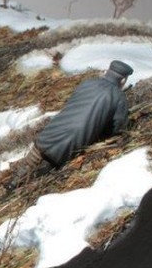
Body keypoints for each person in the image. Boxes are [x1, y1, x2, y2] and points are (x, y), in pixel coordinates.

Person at [8, 59, 134, 189]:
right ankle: (22, 185)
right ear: (123, 80)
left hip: (53, 130)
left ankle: (13, 181)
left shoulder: (88, 83)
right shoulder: (119, 98)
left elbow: (72, 103)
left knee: (33, 158)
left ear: (107, 71)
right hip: (71, 143)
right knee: (43, 171)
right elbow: (117, 128)